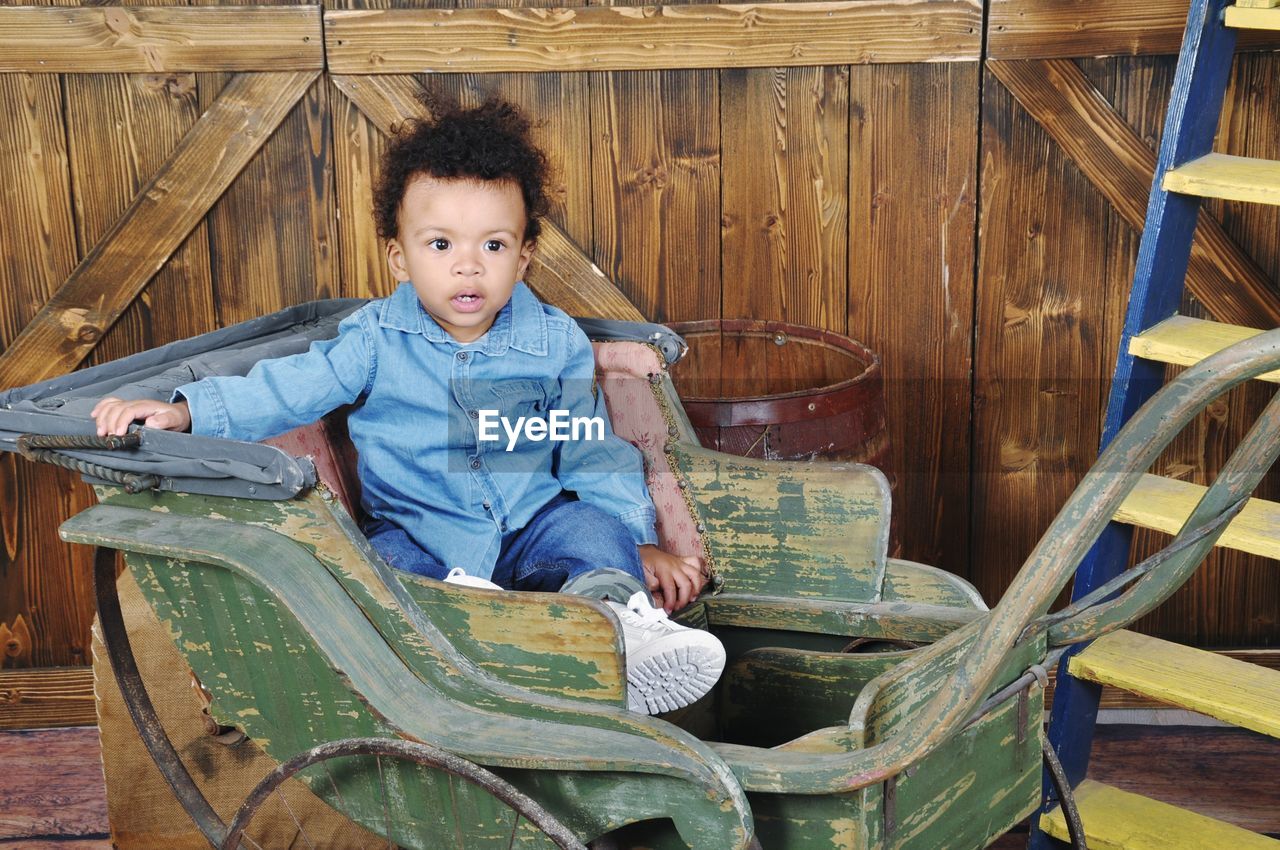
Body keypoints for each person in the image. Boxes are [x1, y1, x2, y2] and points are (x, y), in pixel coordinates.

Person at [91, 97, 724, 716]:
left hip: (533, 528)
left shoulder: (554, 343)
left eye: (494, 246)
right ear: (400, 256)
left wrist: (638, 542)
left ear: (525, 256)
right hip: (421, 532)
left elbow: (589, 451)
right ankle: (465, 632)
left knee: (592, 532)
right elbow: (291, 387)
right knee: (382, 565)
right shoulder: (373, 339)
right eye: (441, 245)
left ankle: (621, 631)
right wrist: (188, 412)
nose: (469, 267)